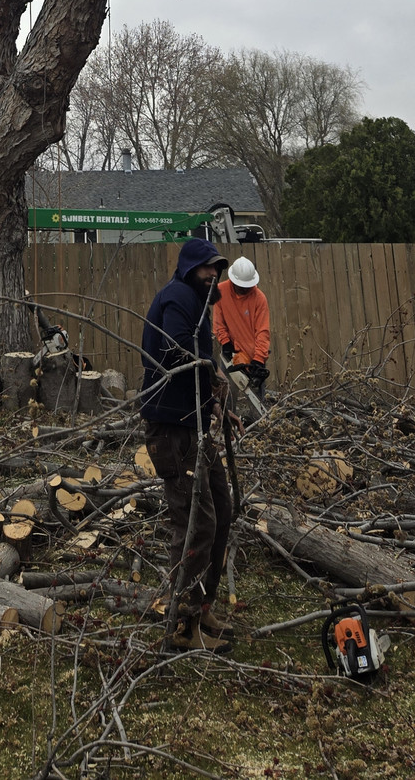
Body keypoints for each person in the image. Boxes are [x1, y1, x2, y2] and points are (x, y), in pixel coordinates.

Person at [140, 236, 234, 647]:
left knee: (222, 509)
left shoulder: (200, 306)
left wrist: (214, 402)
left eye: (218, 269)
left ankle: (205, 607)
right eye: (207, 268)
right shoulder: (179, 296)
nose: (214, 275)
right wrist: (212, 373)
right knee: (195, 522)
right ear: (190, 269)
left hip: (193, 425)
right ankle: (182, 622)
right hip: (171, 429)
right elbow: (179, 353)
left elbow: (196, 365)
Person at [213, 254, 271, 402]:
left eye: (247, 286)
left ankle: (257, 423)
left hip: (253, 357)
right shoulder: (221, 291)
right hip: (231, 355)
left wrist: (258, 360)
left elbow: (263, 332)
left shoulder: (259, 298)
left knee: (257, 401)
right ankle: (227, 423)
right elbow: (218, 323)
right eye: (242, 286)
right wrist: (225, 343)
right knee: (226, 395)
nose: (245, 289)